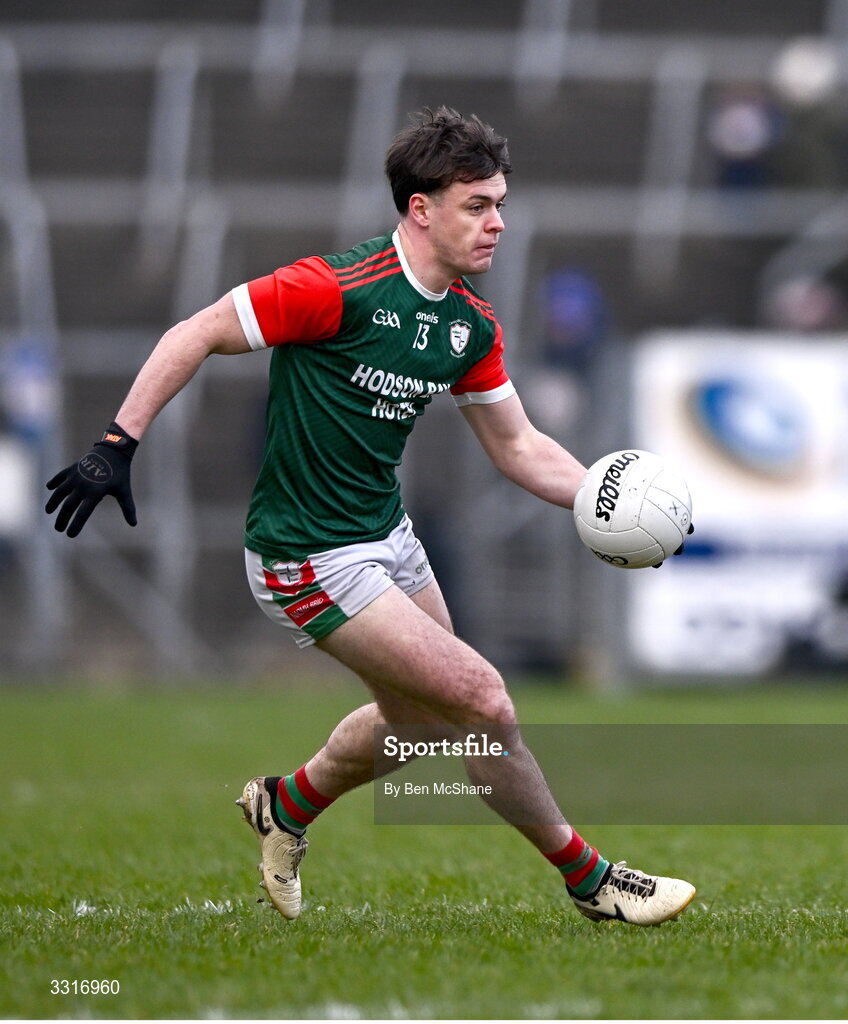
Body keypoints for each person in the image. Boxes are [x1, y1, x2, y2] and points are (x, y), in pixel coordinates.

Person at [45, 107, 695, 927]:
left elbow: (520, 446)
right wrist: (117, 442)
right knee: (485, 703)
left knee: (423, 724)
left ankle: (287, 804)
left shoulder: (468, 324)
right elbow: (197, 331)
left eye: (500, 204)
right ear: (421, 208)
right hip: (304, 554)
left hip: (388, 538)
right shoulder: (332, 287)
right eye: (477, 205)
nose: (496, 223)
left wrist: (608, 500)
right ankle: (590, 879)